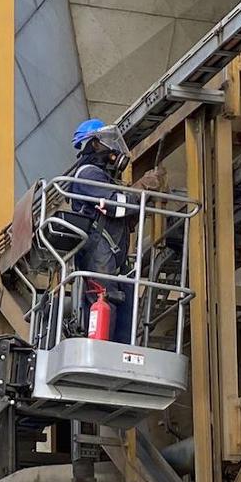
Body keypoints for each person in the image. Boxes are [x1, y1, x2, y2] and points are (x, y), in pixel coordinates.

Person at [66, 119, 163, 344]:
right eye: (107, 143)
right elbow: (116, 205)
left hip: (115, 259)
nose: (113, 149)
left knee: (124, 307)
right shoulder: (87, 174)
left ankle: (119, 350)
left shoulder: (105, 178)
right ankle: (99, 349)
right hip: (98, 254)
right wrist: (143, 188)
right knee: (103, 299)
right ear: (94, 145)